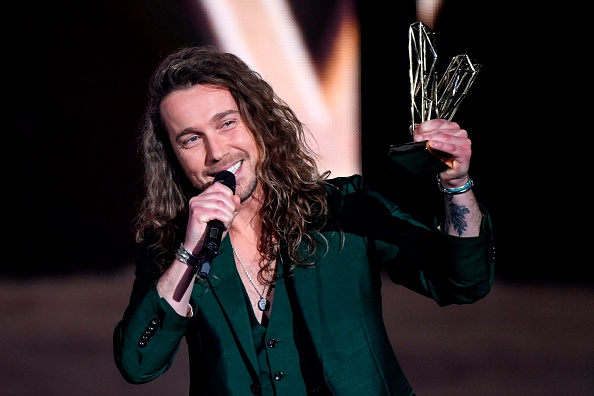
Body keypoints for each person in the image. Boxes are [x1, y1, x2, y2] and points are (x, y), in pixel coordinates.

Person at [113, 45, 495, 396]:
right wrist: (190, 253)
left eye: (227, 123)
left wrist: (456, 184)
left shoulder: (344, 207)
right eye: (191, 139)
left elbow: (463, 282)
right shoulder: (172, 244)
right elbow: (138, 363)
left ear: (258, 122)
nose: (217, 151)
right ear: (172, 156)